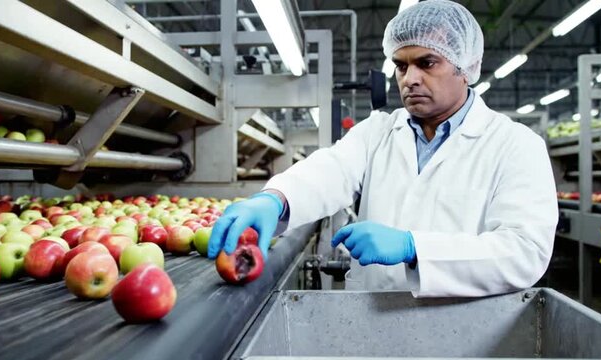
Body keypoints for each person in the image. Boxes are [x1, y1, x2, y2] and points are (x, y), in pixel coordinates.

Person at [208, 0, 558, 297]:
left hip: (464, 337)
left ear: (464, 67)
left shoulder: (516, 145)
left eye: (427, 63)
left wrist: (414, 248)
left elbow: (525, 253)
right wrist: (277, 199)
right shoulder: (378, 131)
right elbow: (332, 169)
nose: (410, 78)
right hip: (367, 326)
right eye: (401, 66)